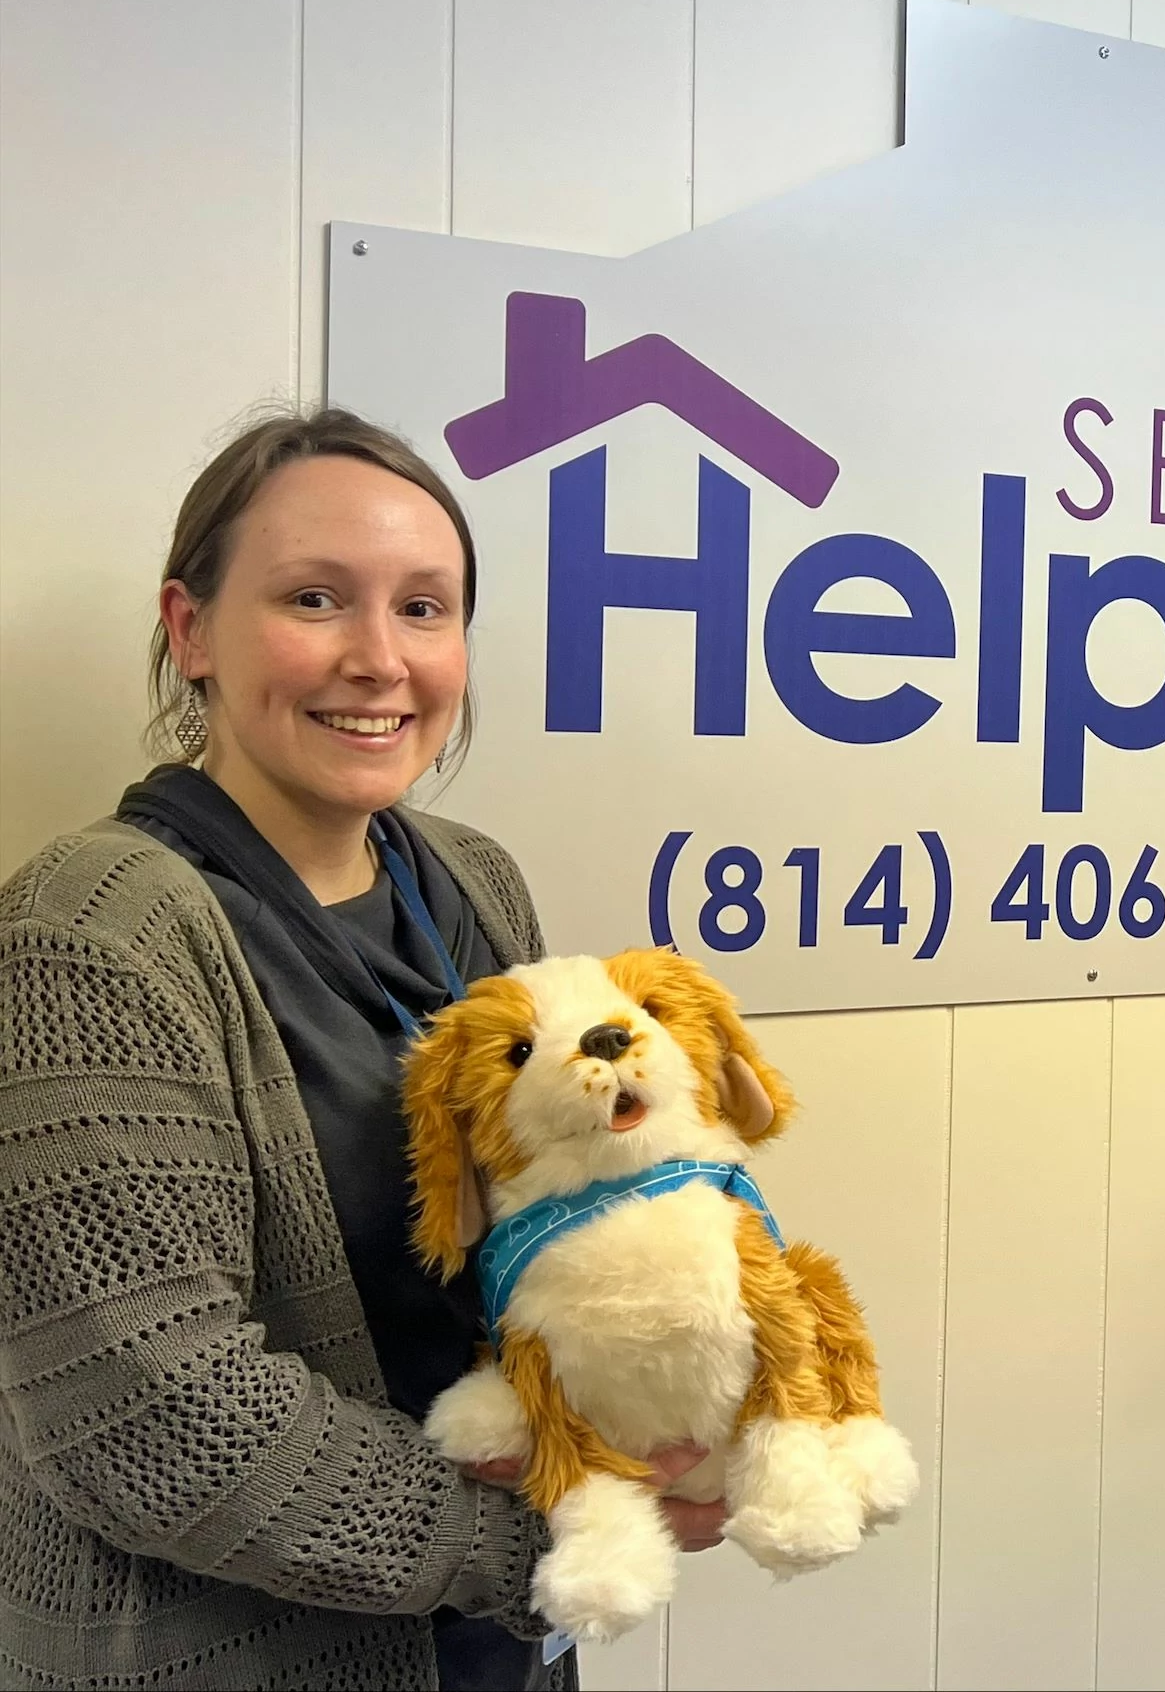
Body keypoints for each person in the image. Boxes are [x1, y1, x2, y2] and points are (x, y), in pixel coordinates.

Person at [0, 410, 717, 1690]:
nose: (379, 659)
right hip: (233, 1648)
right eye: (315, 598)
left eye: (425, 610)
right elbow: (152, 1417)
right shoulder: (94, 934)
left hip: (500, 1635)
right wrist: (549, 1530)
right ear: (191, 629)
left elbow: (560, 1207)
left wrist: (683, 1402)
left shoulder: (470, 883)